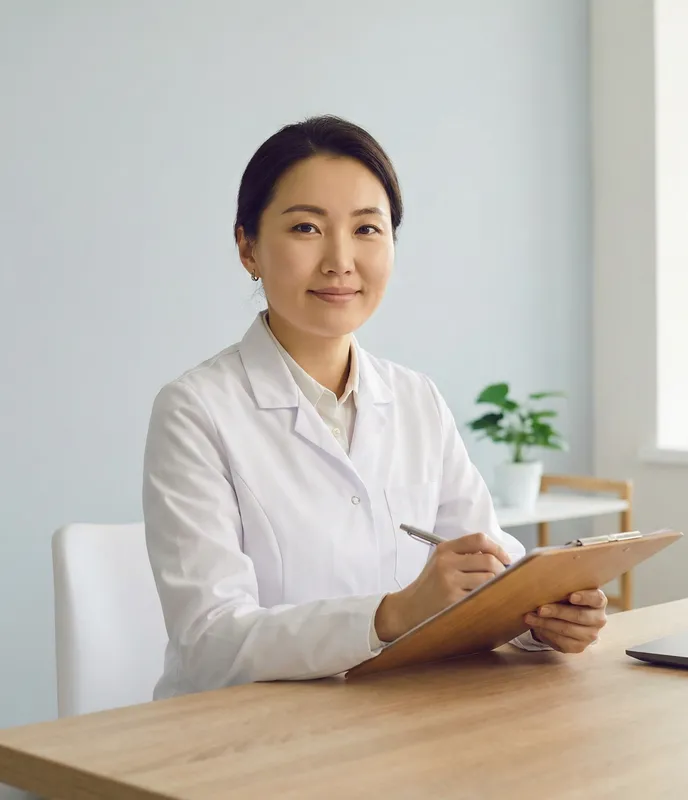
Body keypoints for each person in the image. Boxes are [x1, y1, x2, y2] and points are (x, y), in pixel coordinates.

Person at [143, 115, 607, 699]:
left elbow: (487, 566)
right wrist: (393, 613)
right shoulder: (195, 410)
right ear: (247, 247)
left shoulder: (416, 399)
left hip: (392, 722)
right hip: (244, 745)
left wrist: (542, 618)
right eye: (307, 228)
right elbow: (210, 644)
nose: (341, 260)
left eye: (367, 229)